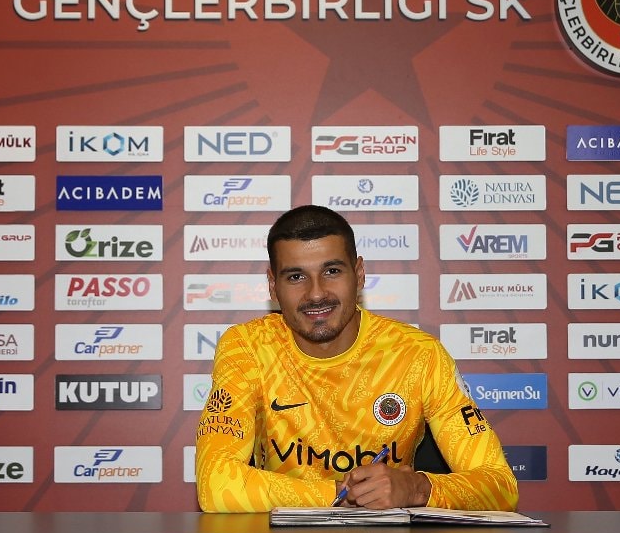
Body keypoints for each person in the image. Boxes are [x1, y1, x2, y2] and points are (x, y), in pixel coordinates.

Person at [195, 204, 518, 513]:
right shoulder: (247, 347)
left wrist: (417, 489)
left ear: (359, 274)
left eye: (332, 271)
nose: (316, 293)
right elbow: (215, 484)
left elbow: (501, 485)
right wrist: (342, 495)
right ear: (272, 286)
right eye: (296, 277)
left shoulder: (419, 354)